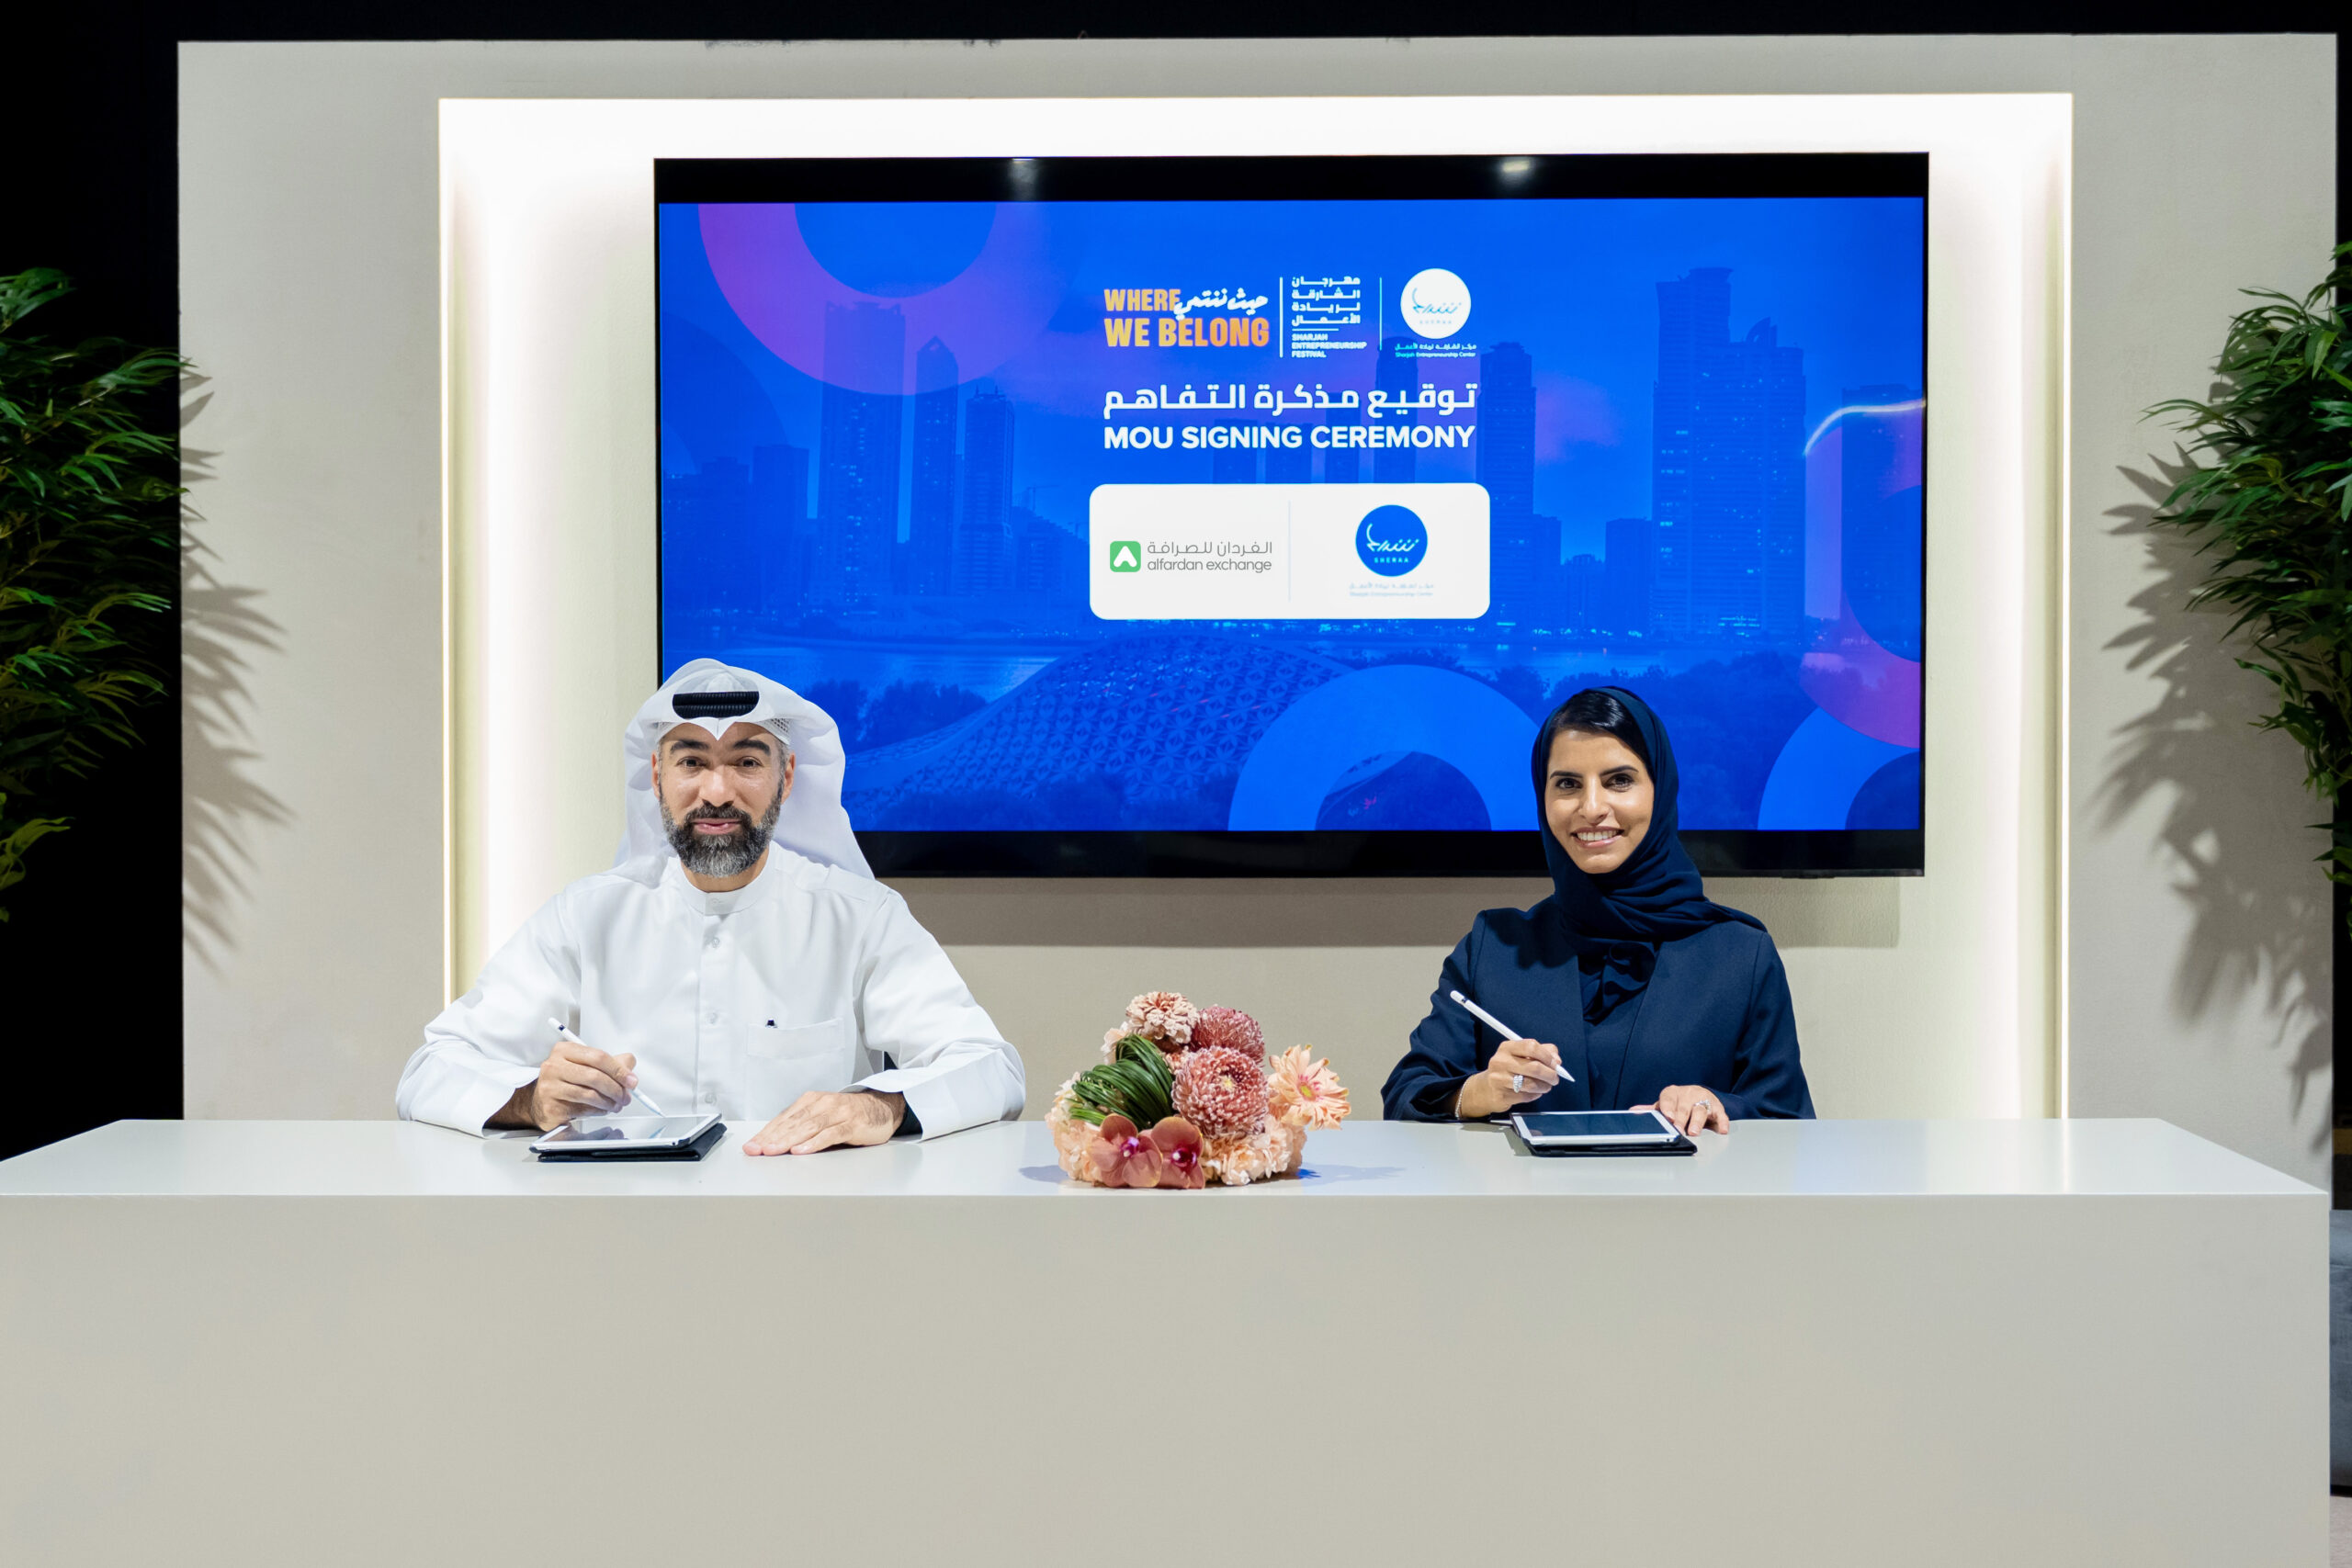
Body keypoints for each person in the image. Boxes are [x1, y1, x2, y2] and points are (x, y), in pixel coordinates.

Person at [396, 660, 1025, 1154]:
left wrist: (876, 1106)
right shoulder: (585, 918)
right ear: (657, 776)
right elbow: (429, 1071)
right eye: (692, 762)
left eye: (746, 762)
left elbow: (992, 1068)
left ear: (786, 777)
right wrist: (532, 1100)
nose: (717, 792)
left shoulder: (860, 917)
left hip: (807, 1238)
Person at [1382, 686, 1813, 1133]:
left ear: (1660, 790)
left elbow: (1789, 1123)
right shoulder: (1494, 948)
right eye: (1567, 784)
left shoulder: (1741, 955)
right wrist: (1480, 1092)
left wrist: (1713, 1105)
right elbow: (1406, 1096)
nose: (1591, 808)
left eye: (1619, 781)